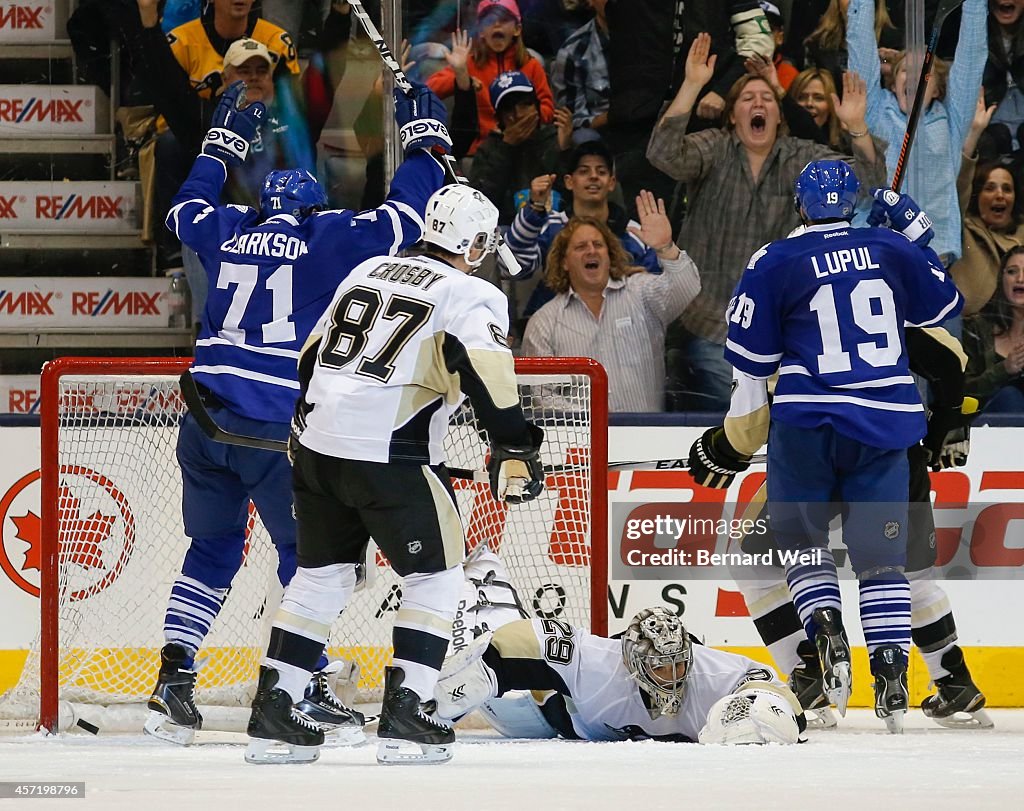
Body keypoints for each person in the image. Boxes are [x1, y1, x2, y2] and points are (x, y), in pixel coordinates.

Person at [145, 79, 451, 746]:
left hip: (202, 422)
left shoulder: (229, 223)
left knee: (214, 547)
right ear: (313, 209)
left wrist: (220, 144)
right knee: (308, 561)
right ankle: (304, 683)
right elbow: (406, 219)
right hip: (266, 431)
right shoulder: (329, 236)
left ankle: (173, 677)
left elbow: (181, 210)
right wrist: (424, 144)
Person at [244, 183, 546, 766]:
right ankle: (409, 708)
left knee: (320, 574)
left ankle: (275, 706)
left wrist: (313, 429)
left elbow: (310, 358)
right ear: (477, 241)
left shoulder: (369, 269)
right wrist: (514, 446)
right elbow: (490, 375)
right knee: (436, 576)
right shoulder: (471, 292)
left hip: (313, 446)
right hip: (389, 455)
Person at [703, 159, 962, 732]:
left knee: (796, 542)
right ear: (851, 203)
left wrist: (730, 442)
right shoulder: (888, 247)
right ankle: (893, 672)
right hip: (887, 425)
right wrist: (915, 236)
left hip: (806, 423)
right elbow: (946, 311)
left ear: (800, 206)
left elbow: (753, 366)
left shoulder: (773, 260)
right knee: (883, 560)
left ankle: (825, 631)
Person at [689, 325, 991, 730]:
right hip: (891, 445)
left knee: (754, 562)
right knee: (910, 574)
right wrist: (947, 423)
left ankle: (810, 679)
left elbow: (749, 420)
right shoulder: (875, 279)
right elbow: (948, 356)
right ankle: (955, 687)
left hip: (808, 450)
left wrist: (719, 450)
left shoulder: (774, 298)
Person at [647, 33, 886, 410]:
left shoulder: (800, 157)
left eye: (768, 99)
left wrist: (856, 127)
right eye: (747, 98)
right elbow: (662, 154)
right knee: (735, 415)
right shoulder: (716, 147)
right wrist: (693, 85)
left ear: (778, 114)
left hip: (778, 328)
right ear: (733, 114)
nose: (758, 103)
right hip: (708, 323)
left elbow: (870, 183)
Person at [432, 607, 805, 745]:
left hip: (598, 724)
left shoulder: (711, 670)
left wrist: (763, 706)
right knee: (510, 703)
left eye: (678, 663)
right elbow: (523, 638)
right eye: (660, 666)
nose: (672, 676)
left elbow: (770, 688)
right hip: (564, 717)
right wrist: (469, 682)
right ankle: (484, 598)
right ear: (634, 664)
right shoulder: (601, 662)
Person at [520, 197, 701, 413]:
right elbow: (541, 396)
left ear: (610, 254)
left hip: (649, 436)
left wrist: (666, 248)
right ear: (565, 262)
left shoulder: (641, 293)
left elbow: (687, 287)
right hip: (582, 442)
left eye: (598, 244)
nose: (591, 251)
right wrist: (592, 419)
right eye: (580, 247)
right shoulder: (544, 322)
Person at [848, 0, 987, 269]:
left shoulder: (952, 120)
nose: (912, 76)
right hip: (877, 248)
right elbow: (860, 48)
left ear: (937, 89)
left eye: (924, 72)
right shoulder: (876, 111)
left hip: (933, 252)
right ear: (892, 82)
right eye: (903, 70)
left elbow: (972, 55)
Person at [506, 138, 659, 321]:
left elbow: (656, 295)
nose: (593, 176)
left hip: (622, 328)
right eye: (584, 171)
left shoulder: (635, 233)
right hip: (553, 328)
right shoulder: (549, 226)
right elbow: (513, 267)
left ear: (611, 182)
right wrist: (534, 209)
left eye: (601, 171)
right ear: (569, 182)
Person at [427, 0, 555, 155]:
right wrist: (462, 78)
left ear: (517, 29)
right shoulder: (468, 63)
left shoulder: (531, 65)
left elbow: (548, 110)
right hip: (478, 152)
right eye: (490, 20)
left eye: (504, 20)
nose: (497, 25)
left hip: (523, 149)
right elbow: (430, 89)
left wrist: (524, 117)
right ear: (480, 31)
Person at [952, 95, 1024, 315]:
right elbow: (959, 189)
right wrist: (974, 132)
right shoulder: (964, 228)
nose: (1000, 195)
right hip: (975, 326)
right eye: (990, 188)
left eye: (1007, 189)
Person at [468, 70, 569, 224]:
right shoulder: (488, 149)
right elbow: (480, 205)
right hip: (506, 232)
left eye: (526, 104)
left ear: (537, 106)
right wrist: (506, 147)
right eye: (509, 109)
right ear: (499, 118)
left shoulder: (555, 138)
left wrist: (564, 150)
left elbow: (572, 200)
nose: (519, 114)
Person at [964, 245, 1024, 412]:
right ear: (1001, 279)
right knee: (1010, 396)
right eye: (1012, 271)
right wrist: (1004, 369)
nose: (1020, 278)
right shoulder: (976, 328)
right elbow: (963, 390)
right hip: (987, 429)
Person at [550, 0, 611, 142]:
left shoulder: (650, 40)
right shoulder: (573, 53)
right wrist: (610, 117)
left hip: (646, 128)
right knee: (582, 137)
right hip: (600, 136)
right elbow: (570, 122)